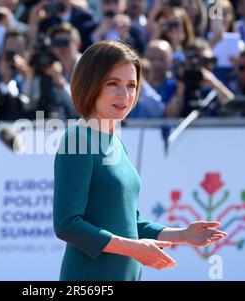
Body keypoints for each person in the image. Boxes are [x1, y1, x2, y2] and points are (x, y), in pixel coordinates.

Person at [53, 40, 227, 281]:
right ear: (91, 84)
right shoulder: (78, 138)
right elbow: (68, 224)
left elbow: (129, 221)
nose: (124, 95)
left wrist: (183, 234)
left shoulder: (115, 140)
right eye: (113, 83)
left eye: (131, 85)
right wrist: (134, 248)